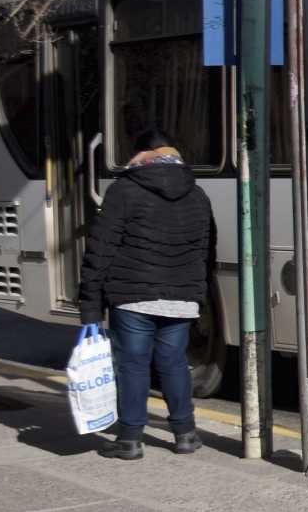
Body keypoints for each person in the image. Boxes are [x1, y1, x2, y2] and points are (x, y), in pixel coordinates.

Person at [77, 127, 215, 460]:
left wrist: (90, 307)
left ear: (139, 156)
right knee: (174, 364)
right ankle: (185, 434)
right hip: (181, 298)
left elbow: (101, 250)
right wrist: (197, 293)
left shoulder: (123, 191)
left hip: (133, 295)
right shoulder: (197, 194)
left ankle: (130, 440)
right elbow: (207, 251)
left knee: (134, 366)